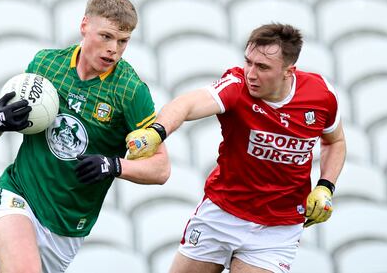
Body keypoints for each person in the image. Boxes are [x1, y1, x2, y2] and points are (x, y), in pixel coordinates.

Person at [126, 23, 346, 273]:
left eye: (262, 67)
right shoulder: (237, 85)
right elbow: (187, 103)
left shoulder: (321, 96)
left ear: (288, 71)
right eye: (248, 62)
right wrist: (158, 131)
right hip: (222, 212)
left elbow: (335, 141)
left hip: (277, 229)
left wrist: (325, 186)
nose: (251, 73)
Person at [0, 0, 171, 273]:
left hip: (67, 227)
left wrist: (114, 165)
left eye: (123, 41)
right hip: (17, 195)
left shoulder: (130, 92)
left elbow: (161, 168)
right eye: (105, 36)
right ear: (84, 26)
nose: (113, 50)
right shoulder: (46, 65)